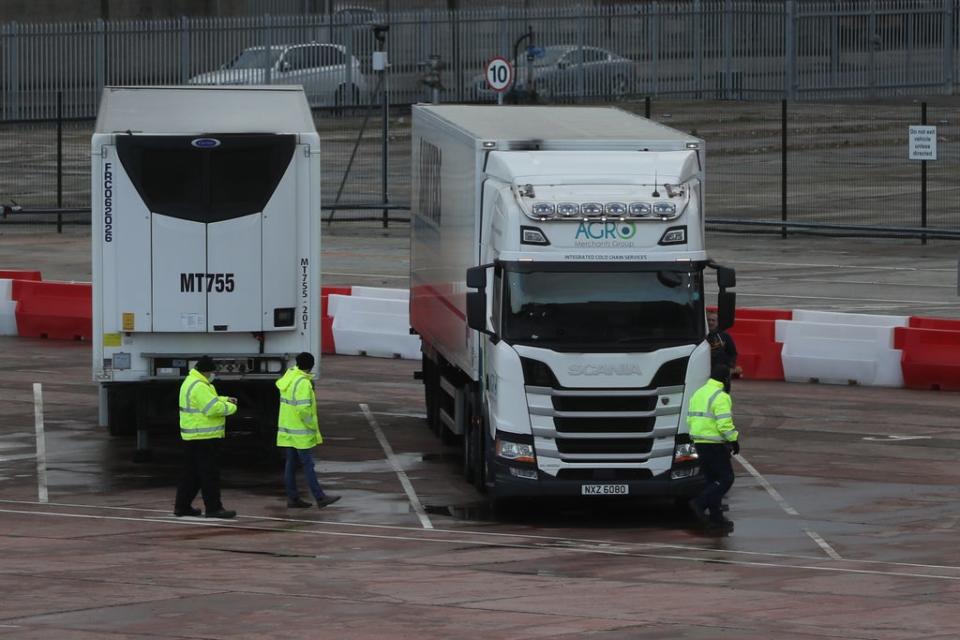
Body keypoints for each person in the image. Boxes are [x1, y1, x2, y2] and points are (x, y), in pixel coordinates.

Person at [174, 356, 237, 519]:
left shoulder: (191, 382)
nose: (213, 375)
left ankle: (182, 506)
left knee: (191, 474)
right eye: (212, 372)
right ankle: (214, 508)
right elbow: (212, 408)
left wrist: (224, 399)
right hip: (205, 436)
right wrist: (231, 406)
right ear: (207, 371)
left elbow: (207, 402)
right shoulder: (200, 386)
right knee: (209, 474)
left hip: (192, 435)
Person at [276, 352, 341, 510]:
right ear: (310, 366)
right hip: (301, 431)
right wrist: (311, 425)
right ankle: (320, 497)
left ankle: (293, 498)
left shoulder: (289, 377)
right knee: (307, 465)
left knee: (290, 464)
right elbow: (304, 410)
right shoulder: (303, 383)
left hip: (288, 429)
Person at [687, 363, 739, 535]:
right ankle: (700, 503)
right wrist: (734, 440)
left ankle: (716, 519)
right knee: (726, 478)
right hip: (714, 444)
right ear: (725, 379)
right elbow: (724, 424)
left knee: (712, 480)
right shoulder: (721, 396)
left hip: (699, 443)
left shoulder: (699, 393)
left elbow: (690, 419)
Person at [707, 311, 740, 391]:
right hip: (705, 372)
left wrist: (730, 367)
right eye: (709, 320)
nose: (710, 322)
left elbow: (733, 353)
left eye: (713, 320)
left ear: (717, 322)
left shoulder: (725, 336)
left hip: (721, 373)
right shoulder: (702, 335)